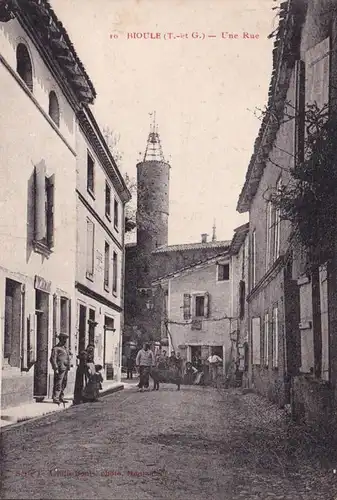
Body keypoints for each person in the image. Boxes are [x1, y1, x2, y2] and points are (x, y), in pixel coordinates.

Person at [50, 333, 71, 404]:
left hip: (65, 367)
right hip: (60, 368)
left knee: (64, 383)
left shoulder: (65, 348)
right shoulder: (56, 348)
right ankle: (56, 398)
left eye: (66, 339)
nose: (65, 341)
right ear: (60, 339)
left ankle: (61, 397)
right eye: (64, 339)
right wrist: (55, 368)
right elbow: (53, 359)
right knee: (58, 383)